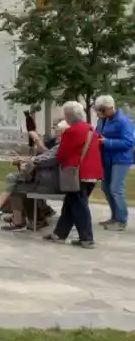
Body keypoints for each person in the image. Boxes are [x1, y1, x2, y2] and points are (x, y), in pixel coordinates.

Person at [0, 121, 69, 231]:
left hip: (53, 182)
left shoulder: (62, 146)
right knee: (20, 181)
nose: (56, 135)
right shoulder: (60, 145)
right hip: (51, 179)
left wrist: (29, 156)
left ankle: (21, 219)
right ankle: (25, 217)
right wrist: (27, 159)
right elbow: (45, 157)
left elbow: (46, 158)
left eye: (58, 133)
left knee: (19, 186)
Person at [43, 101, 102, 249]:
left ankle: (87, 239)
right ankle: (59, 234)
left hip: (77, 174)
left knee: (79, 207)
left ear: (68, 116)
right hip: (91, 173)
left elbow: (62, 154)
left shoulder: (72, 131)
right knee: (70, 205)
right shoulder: (91, 129)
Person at [94, 95, 134, 231]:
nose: (99, 112)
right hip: (106, 158)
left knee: (116, 189)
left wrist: (107, 142)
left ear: (110, 108)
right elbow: (96, 134)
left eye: (102, 110)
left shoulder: (124, 121)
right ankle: (114, 217)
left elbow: (129, 142)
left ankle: (121, 220)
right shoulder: (102, 121)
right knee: (106, 188)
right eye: (98, 110)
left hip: (121, 159)